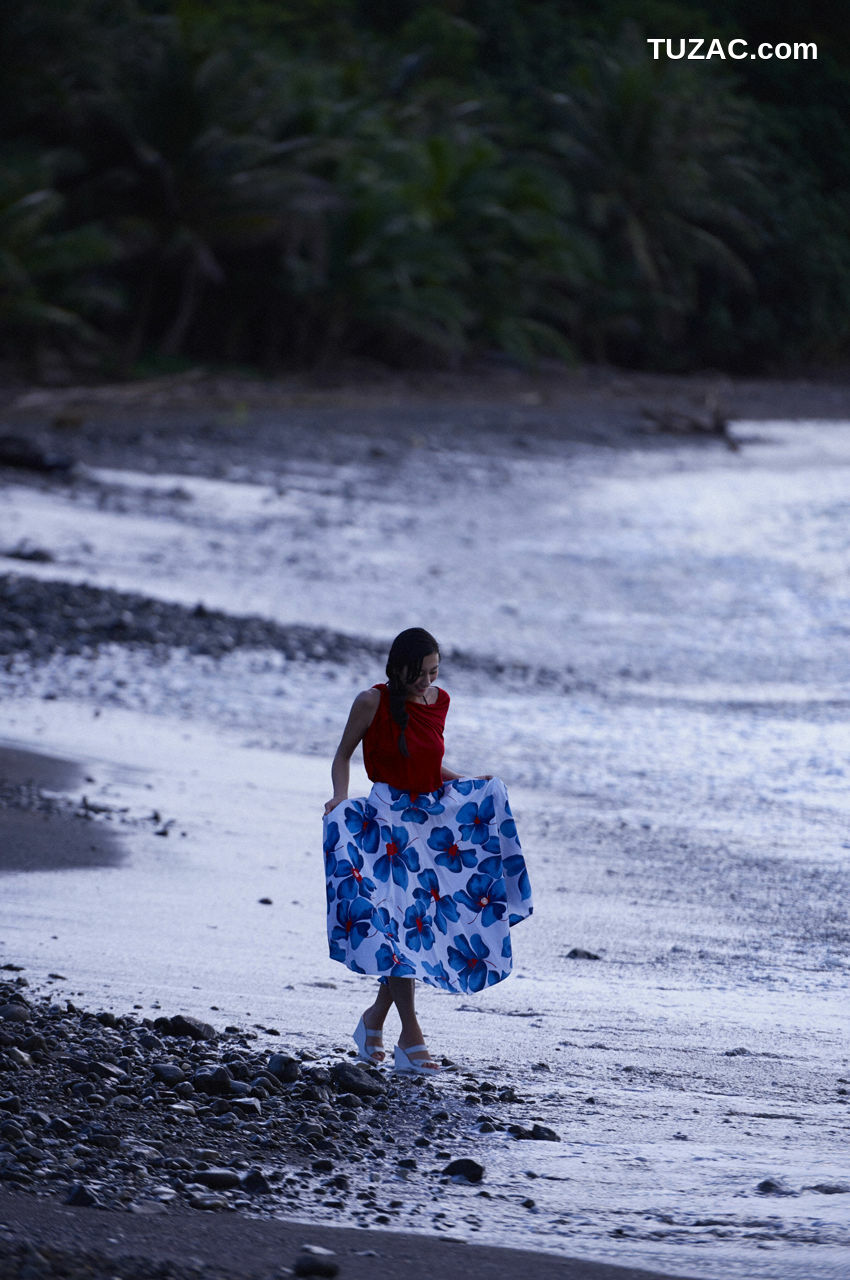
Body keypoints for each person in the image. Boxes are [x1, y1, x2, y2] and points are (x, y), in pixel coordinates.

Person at [322, 627, 532, 1074]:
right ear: (398, 669)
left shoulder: (440, 702)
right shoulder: (370, 702)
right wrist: (340, 798)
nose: (427, 681)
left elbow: (427, 761)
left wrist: (474, 783)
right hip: (383, 824)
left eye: (434, 672)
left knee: (415, 928)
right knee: (396, 927)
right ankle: (411, 1035)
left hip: (430, 822)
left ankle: (373, 1020)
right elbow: (343, 755)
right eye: (419, 673)